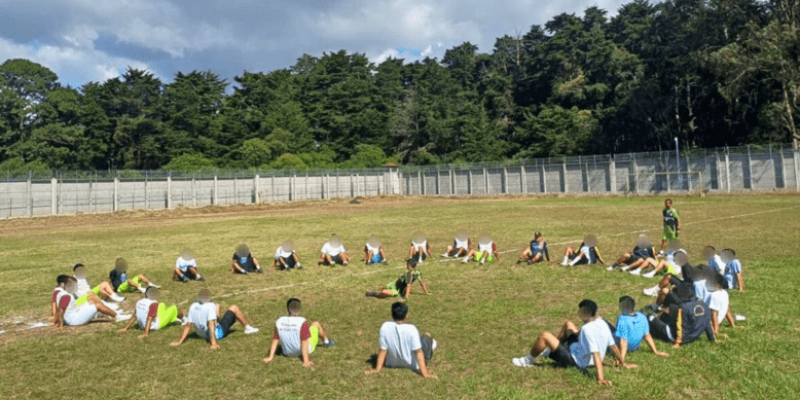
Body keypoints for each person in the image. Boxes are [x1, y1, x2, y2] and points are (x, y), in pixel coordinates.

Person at [511, 300, 624, 386]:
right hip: (580, 350)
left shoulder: (587, 329)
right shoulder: (602, 323)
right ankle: (550, 350)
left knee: (544, 336)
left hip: (577, 361)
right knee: (569, 324)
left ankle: (526, 361)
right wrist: (621, 361)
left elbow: (596, 355)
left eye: (581, 311)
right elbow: (613, 347)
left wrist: (600, 379)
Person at [364, 302, 437, 378]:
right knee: (427, 336)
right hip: (412, 364)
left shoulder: (385, 327)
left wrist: (377, 369)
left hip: (392, 363)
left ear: (392, 316)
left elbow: (382, 350)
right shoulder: (412, 329)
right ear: (406, 316)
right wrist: (425, 373)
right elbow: (418, 352)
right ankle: (429, 354)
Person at [171, 289, 259, 349]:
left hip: (200, 334)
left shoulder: (193, 306)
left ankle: (219, 314)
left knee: (217, 306)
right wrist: (214, 343)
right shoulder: (210, 307)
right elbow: (211, 325)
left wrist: (180, 341)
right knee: (234, 307)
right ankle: (248, 328)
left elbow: (188, 326)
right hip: (218, 334)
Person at [263, 298, 336, 367]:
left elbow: (275, 340)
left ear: (287, 309)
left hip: (287, 353)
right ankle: (326, 342)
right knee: (316, 324)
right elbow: (304, 341)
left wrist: (270, 357)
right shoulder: (302, 322)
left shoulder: (279, 321)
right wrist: (306, 361)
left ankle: (326, 342)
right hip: (302, 351)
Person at [647, 284, 715, 348]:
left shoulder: (683, 307)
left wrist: (678, 343)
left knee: (649, 317)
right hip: (693, 337)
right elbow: (707, 325)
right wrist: (711, 338)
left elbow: (680, 325)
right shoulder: (705, 306)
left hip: (673, 336)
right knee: (668, 313)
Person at [54, 277, 131, 330]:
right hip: (74, 320)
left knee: (92, 300)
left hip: (74, 315)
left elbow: (59, 309)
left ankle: (113, 312)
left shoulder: (61, 293)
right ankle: (117, 316)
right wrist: (60, 325)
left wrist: (56, 321)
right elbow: (60, 310)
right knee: (97, 305)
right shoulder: (66, 296)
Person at [613, 296, 669, 367]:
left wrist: (621, 360)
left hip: (617, 346)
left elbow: (623, 341)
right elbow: (647, 335)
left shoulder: (622, 319)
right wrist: (655, 351)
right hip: (634, 347)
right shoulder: (642, 316)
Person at [118, 286, 184, 339]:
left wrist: (125, 328)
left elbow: (135, 316)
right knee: (173, 308)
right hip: (154, 325)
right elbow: (149, 319)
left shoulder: (139, 301)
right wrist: (145, 334)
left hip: (141, 325)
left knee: (162, 305)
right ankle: (183, 319)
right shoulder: (153, 303)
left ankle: (173, 317)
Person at [366, 258, 430, 300]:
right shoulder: (417, 272)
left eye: (407, 264)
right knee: (383, 289)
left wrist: (406, 297)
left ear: (409, 265)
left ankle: (375, 294)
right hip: (394, 284)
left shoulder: (409, 274)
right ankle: (377, 293)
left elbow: (409, 285)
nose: (406, 265)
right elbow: (422, 283)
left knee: (383, 292)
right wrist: (426, 293)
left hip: (397, 290)